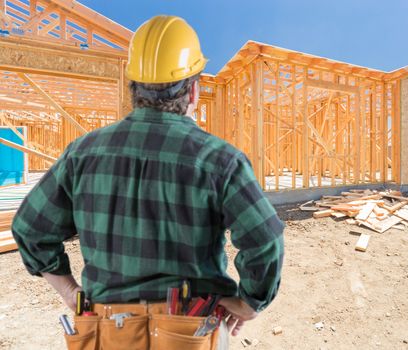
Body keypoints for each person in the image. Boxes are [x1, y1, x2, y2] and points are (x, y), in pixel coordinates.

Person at [11, 15, 284, 348]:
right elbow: (265, 239)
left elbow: (30, 228)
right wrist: (250, 302)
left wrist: (70, 291)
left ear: (133, 88)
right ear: (194, 90)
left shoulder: (82, 154)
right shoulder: (220, 160)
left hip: (107, 330)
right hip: (190, 331)